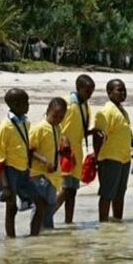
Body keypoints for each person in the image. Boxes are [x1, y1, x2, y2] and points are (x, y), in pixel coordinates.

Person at [0, 88, 46, 237]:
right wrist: (5, 185)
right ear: (15, 104)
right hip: (10, 171)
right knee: (11, 207)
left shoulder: (25, 122)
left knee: (40, 202)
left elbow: (25, 146)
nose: (28, 105)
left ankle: (34, 238)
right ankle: (11, 241)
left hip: (23, 170)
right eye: (25, 102)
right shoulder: (5, 127)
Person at [92, 79, 133, 222]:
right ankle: (103, 223)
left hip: (124, 159)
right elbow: (98, 136)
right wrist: (97, 158)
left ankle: (117, 222)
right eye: (119, 90)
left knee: (120, 194)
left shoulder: (122, 110)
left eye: (124, 90)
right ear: (109, 93)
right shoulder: (106, 111)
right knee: (107, 194)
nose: (123, 93)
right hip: (110, 159)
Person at [56, 74, 94, 224]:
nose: (89, 95)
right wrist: (62, 141)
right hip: (65, 153)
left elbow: (80, 128)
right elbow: (54, 123)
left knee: (72, 191)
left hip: (77, 153)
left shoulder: (84, 105)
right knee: (65, 189)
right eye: (87, 92)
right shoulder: (67, 103)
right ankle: (45, 217)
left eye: (91, 92)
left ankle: (68, 222)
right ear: (78, 89)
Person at [29, 97, 70, 230]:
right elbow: (29, 150)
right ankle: (35, 232)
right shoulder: (39, 129)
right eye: (55, 116)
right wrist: (44, 161)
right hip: (38, 174)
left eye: (61, 117)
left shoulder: (58, 128)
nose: (57, 119)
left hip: (52, 175)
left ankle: (47, 231)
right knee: (40, 204)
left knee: (51, 204)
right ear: (47, 112)